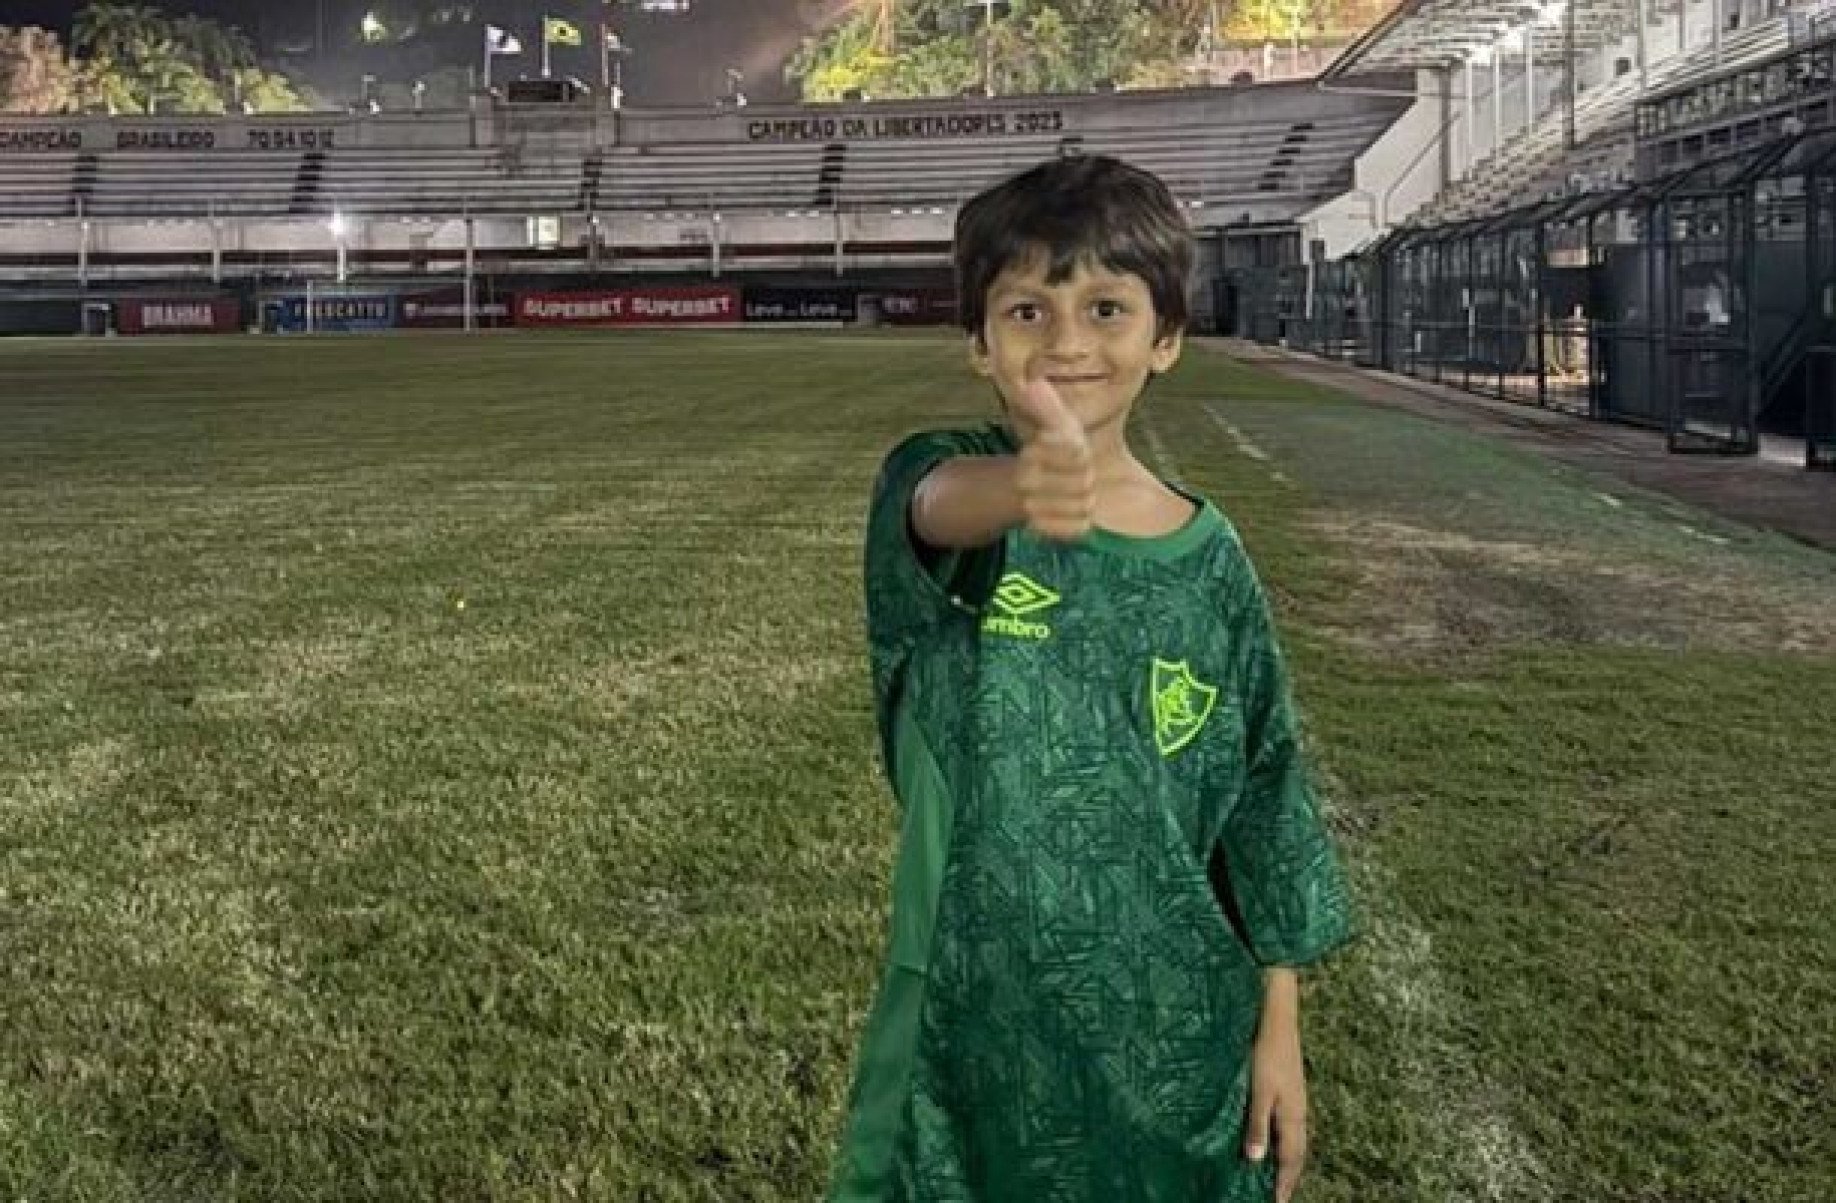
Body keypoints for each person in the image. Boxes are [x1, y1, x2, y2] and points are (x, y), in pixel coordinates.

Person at [827, 154, 1357, 1203]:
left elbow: (1263, 791)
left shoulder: (1213, 566)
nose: (1066, 343)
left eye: (1105, 308)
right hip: (968, 1048)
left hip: (1182, 1048)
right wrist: (1029, 485)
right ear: (980, 342)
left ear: (1164, 339)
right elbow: (930, 506)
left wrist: (1279, 1025)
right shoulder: (952, 490)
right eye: (1027, 310)